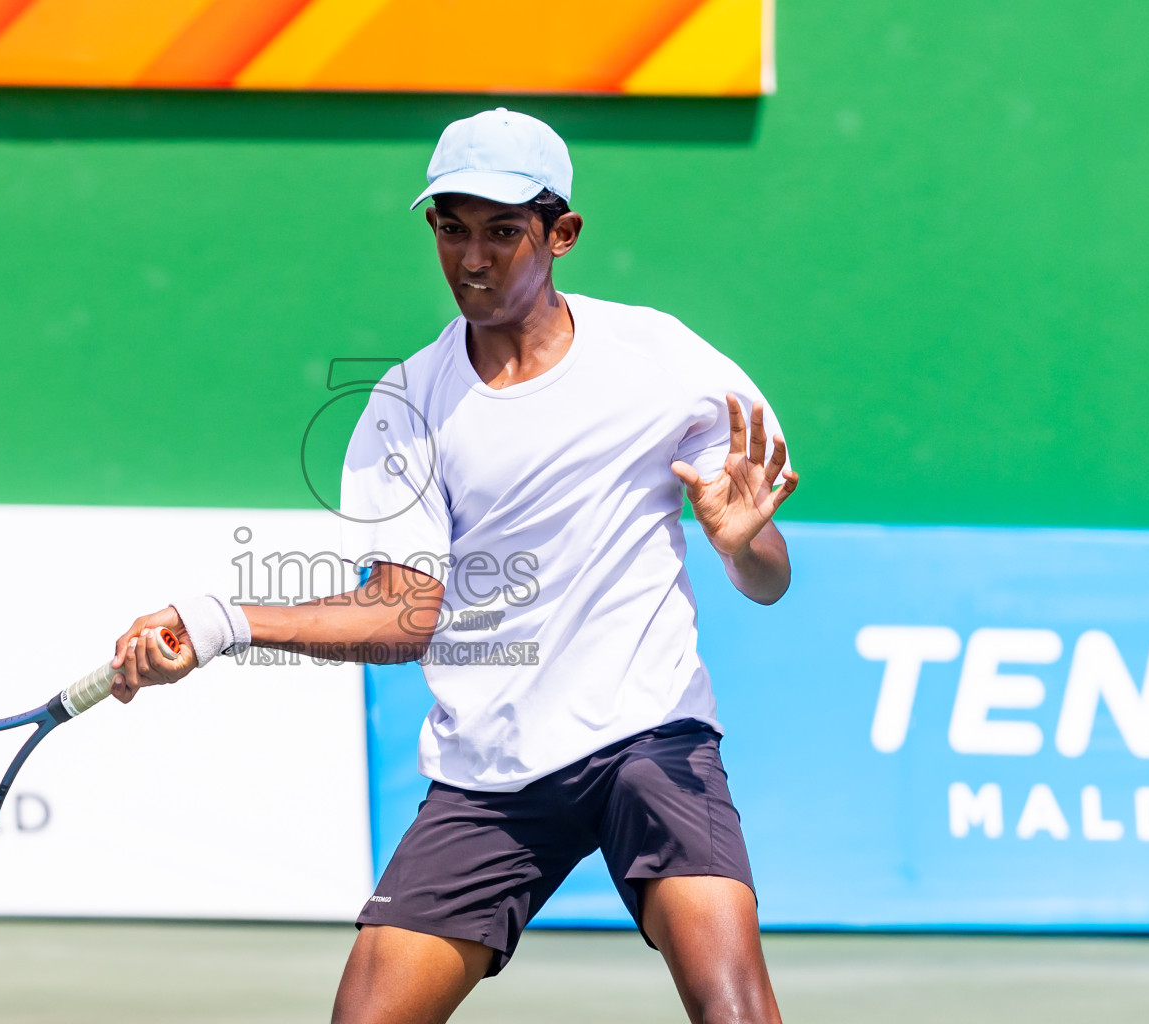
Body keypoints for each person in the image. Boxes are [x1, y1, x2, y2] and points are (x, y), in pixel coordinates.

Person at [109, 108, 799, 1024]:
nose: (473, 258)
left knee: (733, 1009)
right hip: (492, 772)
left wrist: (740, 539)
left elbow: (768, 578)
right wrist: (217, 620)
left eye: (503, 231)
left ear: (562, 235)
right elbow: (404, 616)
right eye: (452, 228)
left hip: (647, 740)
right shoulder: (407, 404)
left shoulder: (661, 359)